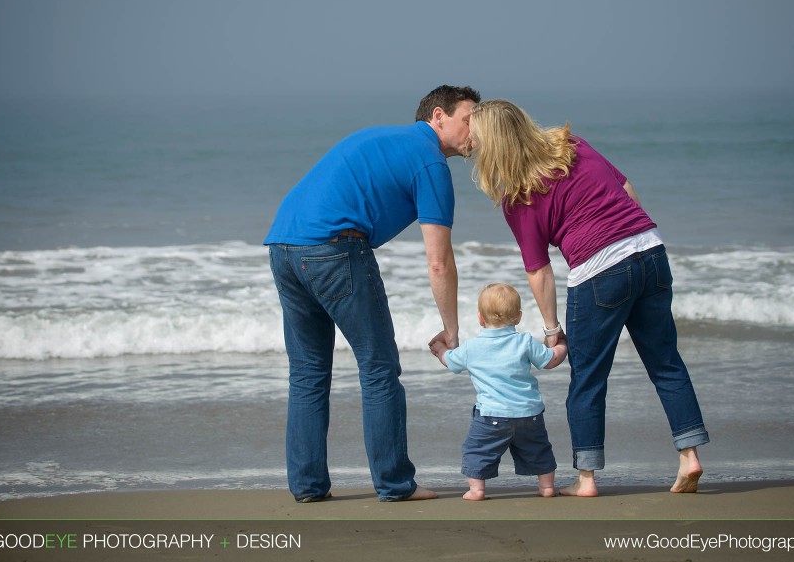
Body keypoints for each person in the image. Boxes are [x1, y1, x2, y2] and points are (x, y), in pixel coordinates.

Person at [466, 99, 709, 497]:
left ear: (494, 144)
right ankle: (689, 455)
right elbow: (627, 189)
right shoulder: (572, 144)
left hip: (599, 271)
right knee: (665, 361)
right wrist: (631, 245)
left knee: (588, 380)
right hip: (649, 250)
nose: (472, 145)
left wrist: (551, 330)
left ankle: (587, 478)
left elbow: (538, 270)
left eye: (476, 138)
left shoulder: (519, 196)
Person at [264, 85, 481, 502]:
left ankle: (308, 487)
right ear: (438, 115)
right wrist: (451, 331)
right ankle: (395, 484)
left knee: (308, 374)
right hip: (333, 249)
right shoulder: (431, 164)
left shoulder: (379, 136)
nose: (478, 132)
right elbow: (439, 261)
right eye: (469, 119)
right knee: (379, 369)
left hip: (283, 248)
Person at [430, 283, 567, 501]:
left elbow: (451, 362)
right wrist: (561, 346)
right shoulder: (525, 341)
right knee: (538, 449)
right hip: (529, 414)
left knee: (477, 450)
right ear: (518, 317)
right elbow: (550, 360)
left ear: (480, 318)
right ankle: (547, 486)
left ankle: (477, 490)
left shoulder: (472, 347)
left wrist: (440, 350)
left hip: (491, 415)